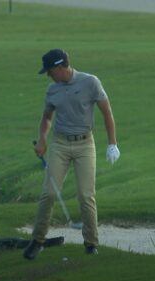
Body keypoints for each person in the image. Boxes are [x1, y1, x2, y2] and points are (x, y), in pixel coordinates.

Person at [23, 49, 120, 260]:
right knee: (48, 193)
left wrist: (112, 144)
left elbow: (107, 112)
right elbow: (47, 118)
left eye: (50, 71)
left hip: (85, 144)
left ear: (60, 67)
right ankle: (37, 240)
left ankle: (91, 244)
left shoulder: (90, 82)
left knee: (86, 196)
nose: (48, 76)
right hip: (60, 143)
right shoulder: (52, 90)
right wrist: (42, 139)